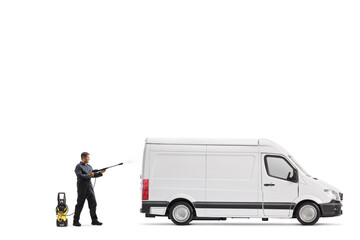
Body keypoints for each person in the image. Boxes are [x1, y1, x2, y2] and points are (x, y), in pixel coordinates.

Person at [73, 152, 106, 227]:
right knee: (80, 204)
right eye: (88, 157)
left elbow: (93, 175)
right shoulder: (78, 166)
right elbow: (80, 175)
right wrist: (89, 175)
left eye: (89, 157)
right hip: (82, 187)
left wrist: (100, 172)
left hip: (89, 187)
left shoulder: (89, 166)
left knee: (93, 203)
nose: (89, 158)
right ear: (83, 157)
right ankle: (75, 221)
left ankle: (94, 220)